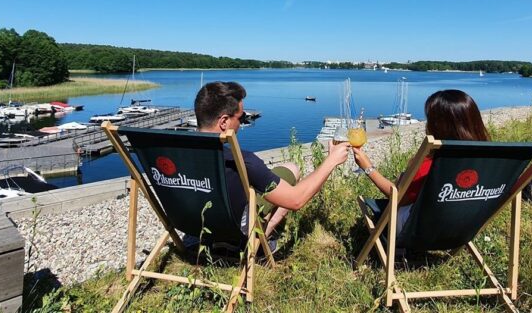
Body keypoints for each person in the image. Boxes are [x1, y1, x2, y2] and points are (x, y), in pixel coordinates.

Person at [195, 81, 351, 240]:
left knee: (288, 168)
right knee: (289, 175)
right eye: (241, 118)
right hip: (237, 236)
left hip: (194, 227)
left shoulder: (175, 154)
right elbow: (296, 200)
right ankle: (259, 244)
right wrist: (331, 160)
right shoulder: (241, 161)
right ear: (223, 122)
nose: (241, 125)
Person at [353, 89, 490, 234]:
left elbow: (398, 198)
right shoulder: (491, 159)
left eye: (429, 120)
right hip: (466, 226)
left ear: (439, 126)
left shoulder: (435, 162)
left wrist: (368, 168)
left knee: (393, 206)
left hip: (423, 228)